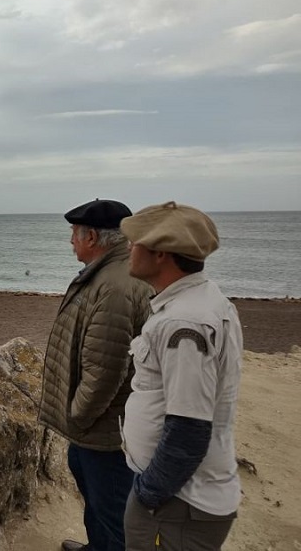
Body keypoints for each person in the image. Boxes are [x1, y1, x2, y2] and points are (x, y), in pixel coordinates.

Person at [119, 201, 243, 551]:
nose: (130, 248)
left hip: (178, 501)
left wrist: (147, 496)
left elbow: (189, 428)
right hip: (178, 497)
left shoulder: (184, 322)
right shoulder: (200, 302)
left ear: (162, 254)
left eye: (137, 241)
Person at [40, 199, 153, 551]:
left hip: (105, 432)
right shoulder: (109, 273)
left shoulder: (115, 286)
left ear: (92, 237)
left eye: (74, 234)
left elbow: (106, 369)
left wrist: (79, 416)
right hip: (97, 430)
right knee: (99, 503)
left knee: (113, 512)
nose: (70, 241)